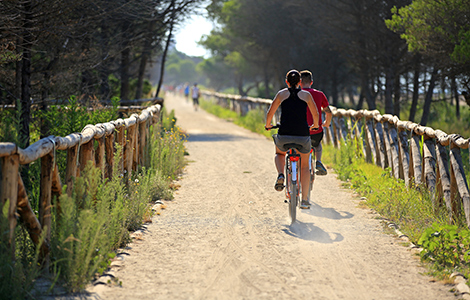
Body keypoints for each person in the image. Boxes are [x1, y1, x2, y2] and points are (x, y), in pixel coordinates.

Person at [265, 70, 320, 209]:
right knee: (305, 166)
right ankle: (305, 200)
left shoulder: (281, 94)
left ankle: (281, 174)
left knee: (279, 153)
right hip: (302, 135)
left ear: (287, 81)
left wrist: (268, 125)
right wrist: (315, 125)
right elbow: (315, 113)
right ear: (300, 82)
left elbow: (270, 112)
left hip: (284, 134)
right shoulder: (306, 95)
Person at [300, 70, 332, 176]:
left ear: (299, 82)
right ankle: (318, 161)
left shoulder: (297, 94)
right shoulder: (319, 94)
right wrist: (326, 123)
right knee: (317, 145)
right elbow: (328, 112)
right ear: (311, 82)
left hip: (300, 131)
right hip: (316, 131)